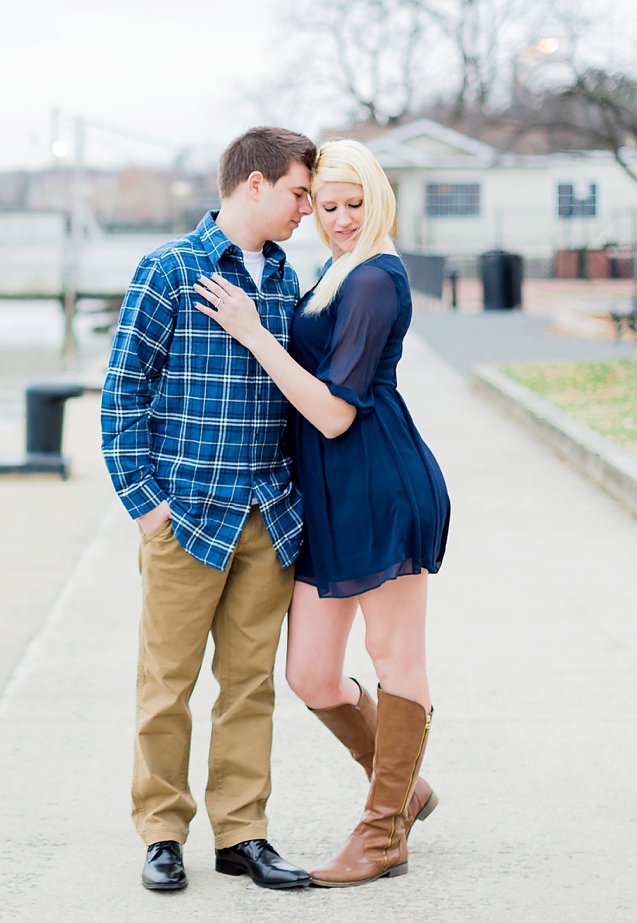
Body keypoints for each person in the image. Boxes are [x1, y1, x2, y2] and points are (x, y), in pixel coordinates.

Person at [191, 137, 449, 888]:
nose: (336, 218)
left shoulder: (374, 279)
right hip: (328, 495)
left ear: (378, 199)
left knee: (396, 657)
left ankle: (381, 833)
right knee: (310, 672)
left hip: (380, 483)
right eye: (324, 204)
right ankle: (403, 785)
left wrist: (253, 333)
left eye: (352, 203)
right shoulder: (338, 271)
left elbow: (335, 412)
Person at [101, 126, 317, 894]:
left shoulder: (290, 280)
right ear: (253, 184)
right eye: (298, 193)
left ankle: (242, 832)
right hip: (186, 516)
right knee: (167, 682)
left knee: (250, 683)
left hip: (267, 513)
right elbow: (121, 391)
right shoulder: (170, 269)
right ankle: (162, 831)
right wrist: (146, 505)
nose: (306, 210)